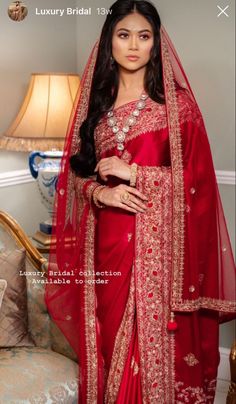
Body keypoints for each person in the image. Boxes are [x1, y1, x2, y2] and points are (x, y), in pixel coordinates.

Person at [45, 1, 236, 403]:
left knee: (154, 349)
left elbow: (198, 184)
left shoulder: (177, 108)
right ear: (109, 41)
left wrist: (136, 174)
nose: (133, 45)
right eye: (124, 34)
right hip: (107, 248)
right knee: (111, 339)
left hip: (159, 255)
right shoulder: (95, 108)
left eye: (143, 36)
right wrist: (102, 191)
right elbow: (77, 175)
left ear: (156, 45)